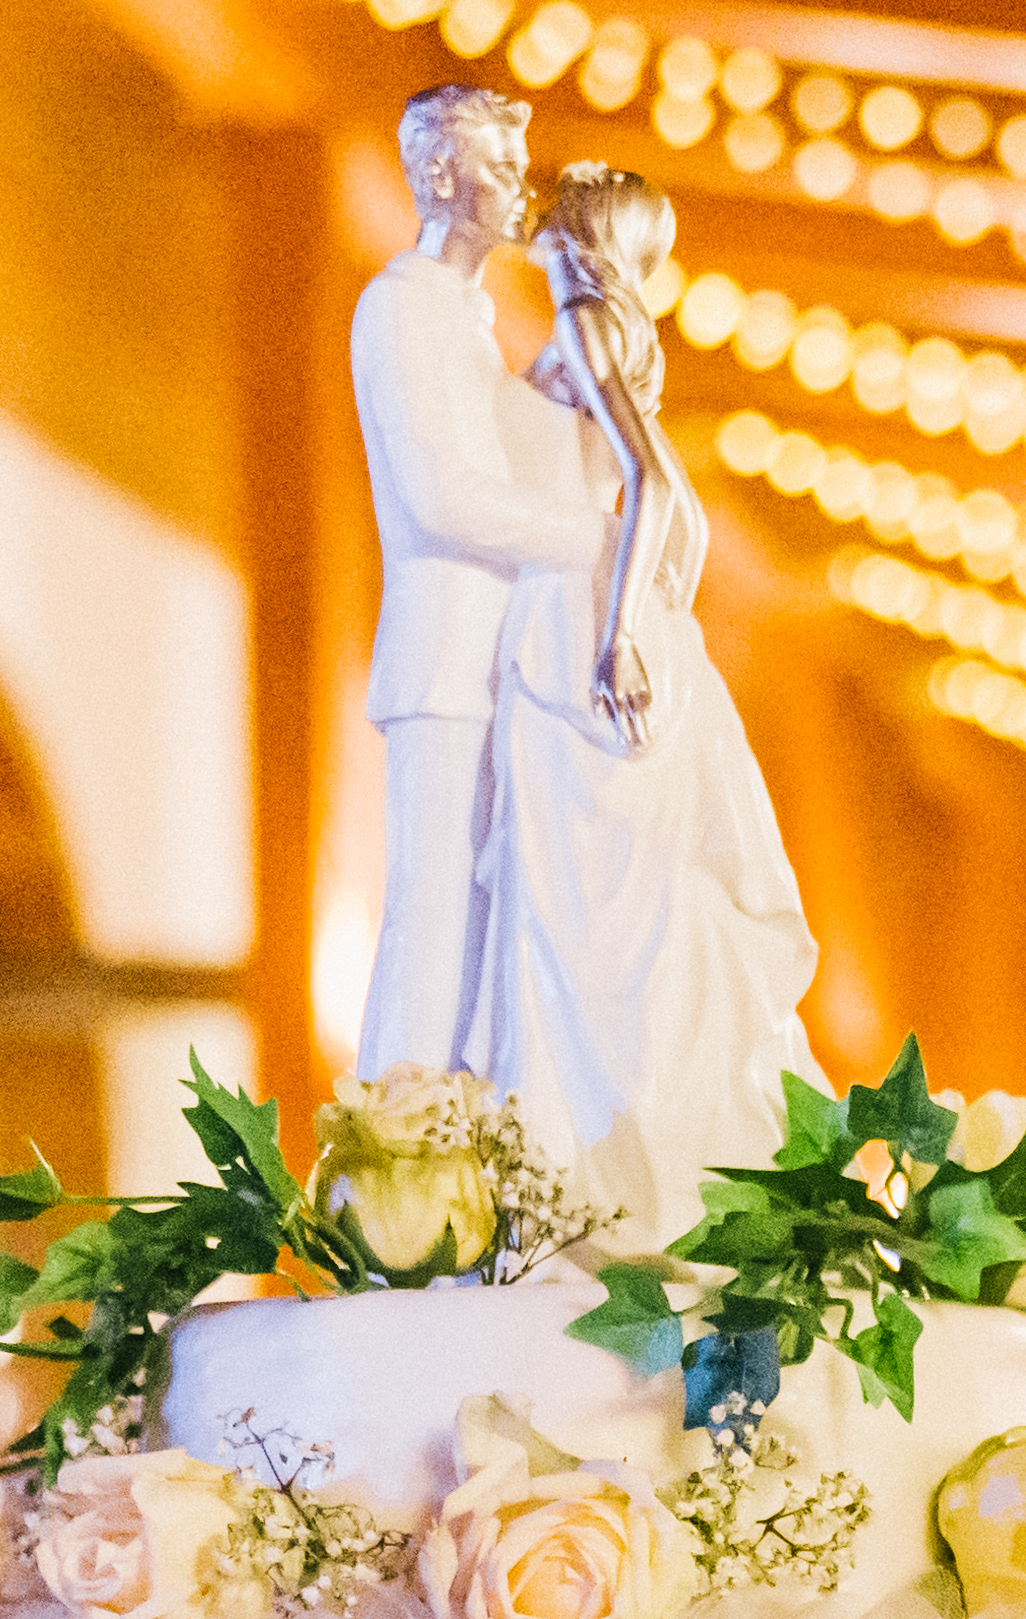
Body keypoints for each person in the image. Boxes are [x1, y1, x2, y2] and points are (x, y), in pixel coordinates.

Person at [458, 166, 820, 1240]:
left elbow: (657, 487)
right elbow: (680, 512)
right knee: (620, 910)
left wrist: (621, 631)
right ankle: (618, 1175)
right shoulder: (619, 326)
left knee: (585, 910)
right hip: (599, 611)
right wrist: (660, 596)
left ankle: (600, 1178)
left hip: (580, 632)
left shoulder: (583, 322)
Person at [348, 85, 604, 1080]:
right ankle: (394, 1171)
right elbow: (442, 494)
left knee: (485, 926)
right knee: (433, 918)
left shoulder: (469, 319)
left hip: (503, 657)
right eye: (499, 166)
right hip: (442, 658)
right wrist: (588, 538)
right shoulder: (400, 307)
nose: (517, 189)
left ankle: (459, 1163)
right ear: (444, 175)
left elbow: (497, 446)